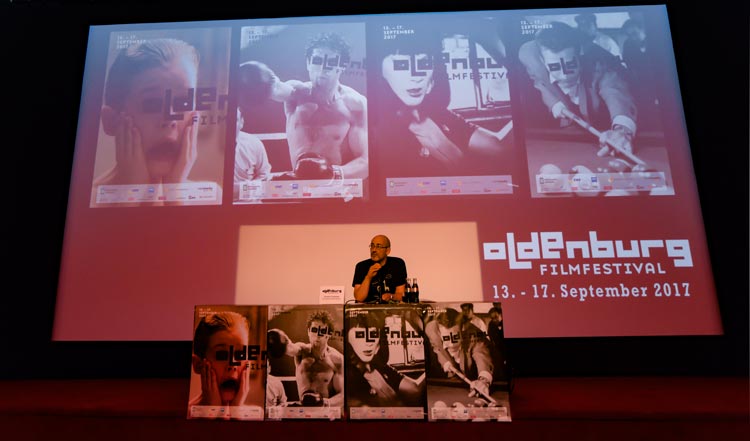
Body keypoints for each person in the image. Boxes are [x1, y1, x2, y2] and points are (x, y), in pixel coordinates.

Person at [373, 23, 514, 177]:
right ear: (381, 73)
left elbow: (500, 147)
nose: (416, 76)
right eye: (401, 64)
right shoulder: (375, 129)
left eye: (424, 63)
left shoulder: (440, 116)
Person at [92, 38, 218, 206]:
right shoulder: (85, 202)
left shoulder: (213, 197)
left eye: (183, 103)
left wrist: (175, 195)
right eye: (152, 103)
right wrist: (131, 197)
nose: (170, 119)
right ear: (111, 120)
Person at [244, 32, 368, 181]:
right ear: (308, 63)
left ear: (342, 66)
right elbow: (276, 89)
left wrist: (332, 173)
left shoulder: (355, 104)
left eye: (331, 61)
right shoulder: (296, 94)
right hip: (298, 189)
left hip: (337, 192)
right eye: (317, 60)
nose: (323, 67)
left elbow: (365, 162)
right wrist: (258, 80)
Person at [518, 21, 638, 156]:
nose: (564, 76)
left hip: (603, 123)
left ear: (580, 57)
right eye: (555, 67)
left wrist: (622, 130)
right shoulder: (531, 58)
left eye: (570, 65)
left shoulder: (599, 65)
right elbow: (538, 78)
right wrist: (554, 104)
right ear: (542, 60)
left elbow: (615, 91)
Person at [345, 310, 424, 407]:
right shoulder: (347, 376)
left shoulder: (380, 367)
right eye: (360, 335)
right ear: (347, 339)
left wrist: (421, 328)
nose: (369, 342)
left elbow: (415, 390)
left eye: (373, 334)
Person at [266, 310, 344, 407]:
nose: (317, 335)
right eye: (314, 330)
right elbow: (290, 348)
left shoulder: (337, 360)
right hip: (303, 412)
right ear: (308, 331)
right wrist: (278, 339)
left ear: (329, 334)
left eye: (322, 331)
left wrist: (324, 403)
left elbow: (343, 396)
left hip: (325, 414)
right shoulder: (301, 351)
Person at [189, 311, 261, 414]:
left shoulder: (257, 414)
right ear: (198, 365)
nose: (232, 365)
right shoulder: (185, 415)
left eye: (240, 355)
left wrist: (235, 412)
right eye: (221, 355)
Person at [424, 307, 495, 401]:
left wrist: (484, 380)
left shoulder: (473, 333)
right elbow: (436, 346)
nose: (452, 343)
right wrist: (444, 361)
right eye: (447, 338)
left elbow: (481, 355)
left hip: (474, 374)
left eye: (455, 337)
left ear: (462, 329)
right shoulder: (431, 329)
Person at [233, 61, 276, 202]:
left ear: (242, 122)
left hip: (249, 207)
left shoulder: (253, 143)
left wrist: (240, 190)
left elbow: (264, 177)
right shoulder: (207, 147)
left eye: (235, 120)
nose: (230, 125)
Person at [352, 235, 407, 303]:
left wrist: (391, 296)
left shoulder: (397, 264)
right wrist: (368, 277)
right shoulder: (361, 266)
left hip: (391, 310)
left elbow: (401, 295)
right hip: (367, 310)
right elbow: (359, 298)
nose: (374, 250)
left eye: (378, 246)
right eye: (372, 246)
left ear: (387, 251)